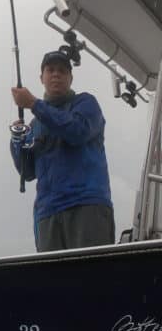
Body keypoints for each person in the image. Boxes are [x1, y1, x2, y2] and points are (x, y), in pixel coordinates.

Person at [10, 49, 115, 252]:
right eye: (50, 70)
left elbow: (77, 131)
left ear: (70, 78)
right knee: (53, 282)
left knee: (93, 278)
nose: (56, 74)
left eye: (62, 71)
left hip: (86, 205)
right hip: (47, 213)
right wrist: (16, 140)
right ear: (42, 77)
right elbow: (27, 172)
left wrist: (33, 104)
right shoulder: (35, 122)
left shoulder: (86, 103)